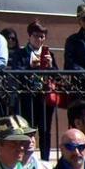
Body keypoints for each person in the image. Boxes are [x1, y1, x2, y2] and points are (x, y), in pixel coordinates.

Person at [11, 21, 55, 161]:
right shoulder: (22, 53)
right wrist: (30, 66)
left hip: (44, 97)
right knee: (27, 129)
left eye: (42, 36)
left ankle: (45, 159)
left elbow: (57, 75)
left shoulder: (48, 53)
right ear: (29, 36)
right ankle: (25, 159)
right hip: (27, 96)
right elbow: (16, 71)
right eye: (36, 36)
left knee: (45, 131)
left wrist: (50, 65)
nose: (39, 39)